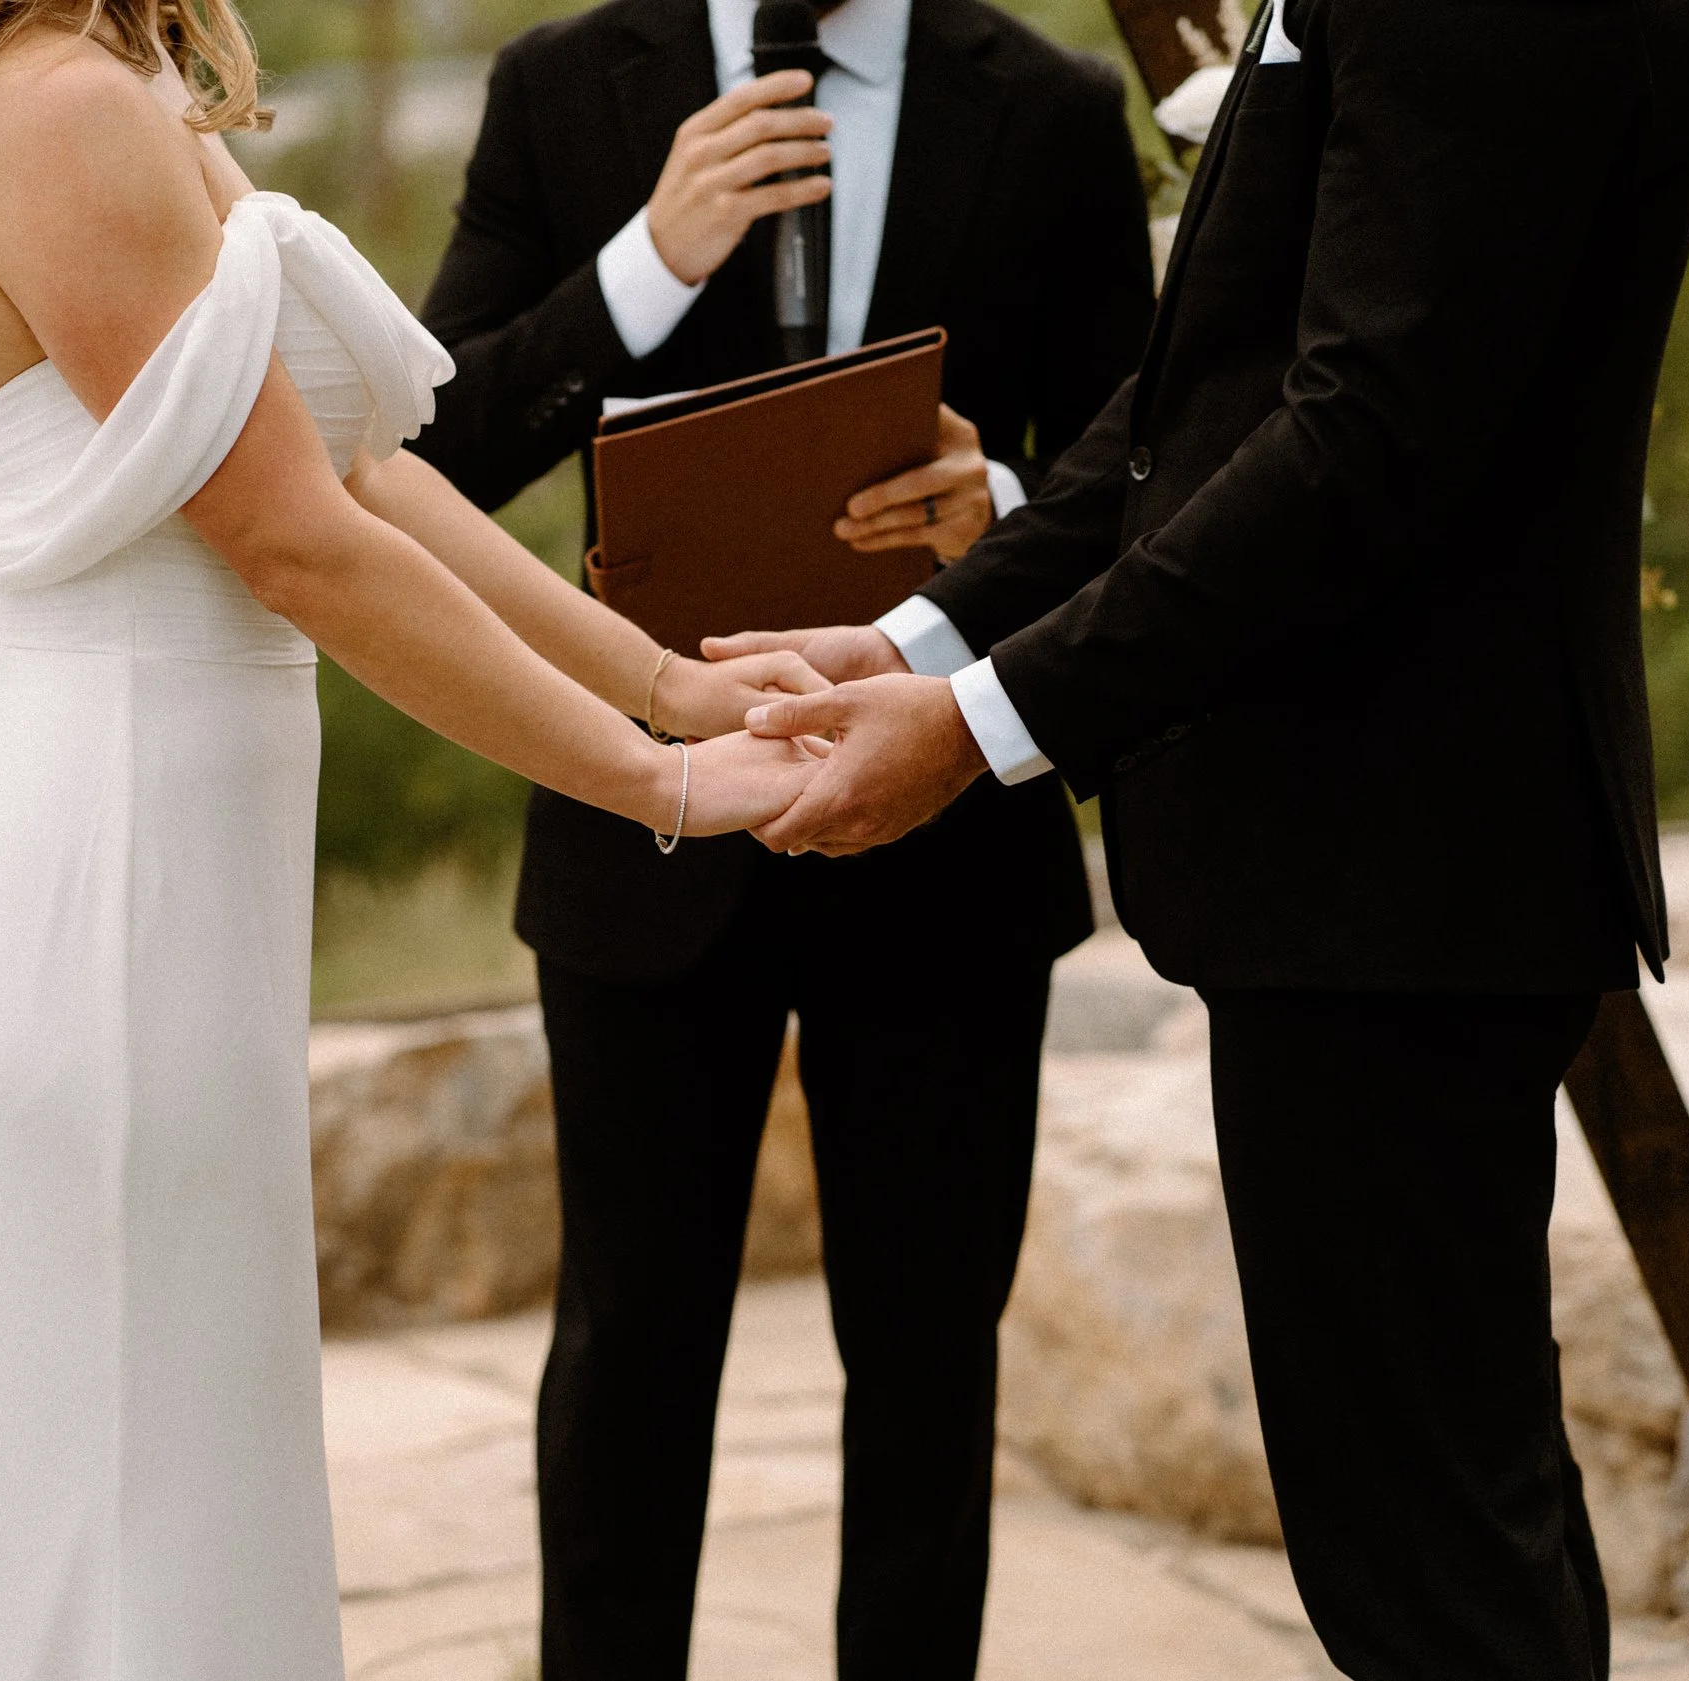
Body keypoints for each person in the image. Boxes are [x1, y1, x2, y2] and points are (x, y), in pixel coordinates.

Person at [0, 1, 831, 1675]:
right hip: (104, 898)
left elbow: (358, 472)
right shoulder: (58, 106)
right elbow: (292, 545)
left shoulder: (103, 77)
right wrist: (660, 792)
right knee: (104, 1504)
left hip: (157, 890)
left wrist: (668, 688)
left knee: (136, 1472)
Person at [723, 0, 1689, 1677]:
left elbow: (1360, 438)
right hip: (1365, 875)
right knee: (1447, 1521)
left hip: (1403, 866)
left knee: (1429, 1572)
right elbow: (1201, 397)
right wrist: (922, 642)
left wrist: (980, 732)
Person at [409, 0, 1153, 1674]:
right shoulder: (560, 87)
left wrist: (1005, 511)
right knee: (626, 1357)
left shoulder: (1045, 103)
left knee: (927, 1362)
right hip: (644, 826)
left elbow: (1153, 448)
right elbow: (432, 454)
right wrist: (643, 270)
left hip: (947, 825)